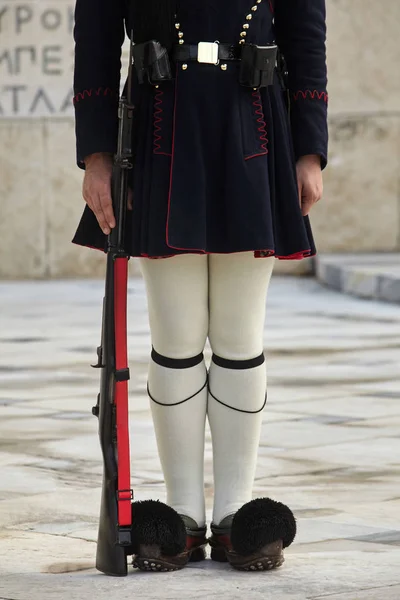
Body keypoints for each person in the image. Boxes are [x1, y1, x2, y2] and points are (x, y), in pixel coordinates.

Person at [72, 0, 328, 573]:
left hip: (256, 124)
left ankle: (237, 511)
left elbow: (306, 42)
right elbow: (93, 46)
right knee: (177, 333)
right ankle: (183, 513)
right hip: (159, 130)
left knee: (240, 334)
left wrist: (310, 151)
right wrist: (97, 155)